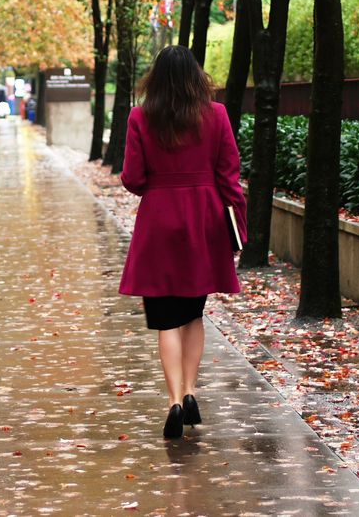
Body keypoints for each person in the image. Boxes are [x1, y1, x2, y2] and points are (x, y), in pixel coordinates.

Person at [118, 45, 247, 440]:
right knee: (193, 313)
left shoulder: (141, 117)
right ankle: (191, 391)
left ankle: (174, 399)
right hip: (204, 222)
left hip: (159, 221)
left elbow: (133, 178)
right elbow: (230, 176)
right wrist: (238, 227)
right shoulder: (217, 115)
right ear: (196, 76)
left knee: (165, 319)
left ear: (155, 79)